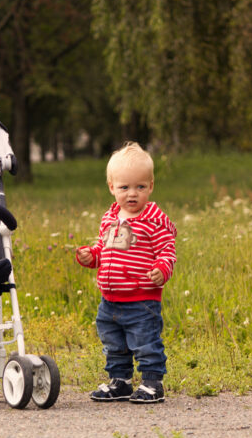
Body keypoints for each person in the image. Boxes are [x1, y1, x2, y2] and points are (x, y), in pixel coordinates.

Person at [76, 141, 177, 404]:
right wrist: (91, 256)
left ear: (151, 186)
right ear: (112, 187)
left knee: (145, 343)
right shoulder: (109, 217)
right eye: (124, 187)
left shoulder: (154, 220)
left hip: (142, 300)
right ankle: (120, 382)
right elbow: (102, 249)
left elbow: (167, 249)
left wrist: (161, 269)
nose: (132, 194)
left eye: (140, 187)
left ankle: (152, 382)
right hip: (109, 301)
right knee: (114, 344)